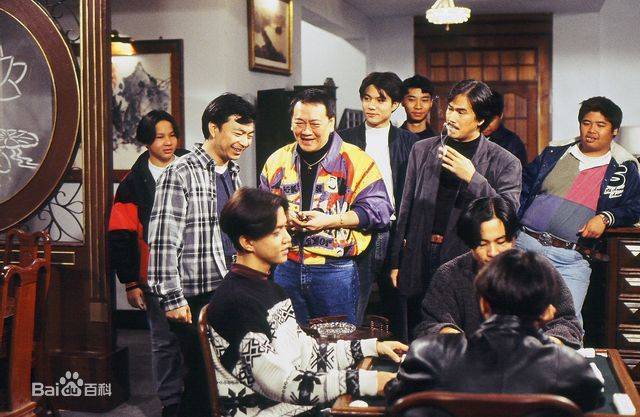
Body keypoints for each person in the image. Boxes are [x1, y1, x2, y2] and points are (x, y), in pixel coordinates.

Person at [207, 188, 408, 417]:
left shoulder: (271, 289)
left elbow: (307, 353)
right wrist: (366, 381)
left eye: (285, 228)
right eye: (276, 232)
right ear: (247, 242)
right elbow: (280, 383)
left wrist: (371, 347)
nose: (288, 238)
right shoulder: (237, 302)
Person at [385, 249, 604, 413]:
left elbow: (397, 397)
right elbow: (593, 403)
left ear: (484, 305)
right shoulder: (570, 367)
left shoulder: (428, 354)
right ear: (548, 312)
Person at [147, 93, 255, 417]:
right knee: (199, 379)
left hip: (227, 289)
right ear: (213, 128)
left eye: (249, 135)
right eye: (238, 133)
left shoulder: (233, 172)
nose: (245, 142)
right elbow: (163, 240)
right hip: (194, 296)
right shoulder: (179, 172)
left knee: (226, 376)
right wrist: (172, 298)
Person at [389, 79, 522, 341]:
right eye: (450, 108)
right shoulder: (422, 149)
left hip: (465, 258)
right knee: (417, 334)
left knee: (462, 334)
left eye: (461, 112)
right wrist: (396, 261)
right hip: (419, 254)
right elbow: (406, 208)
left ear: (480, 119)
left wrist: (473, 178)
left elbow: (509, 215)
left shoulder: (505, 161)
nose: (451, 117)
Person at [260, 88, 393, 325]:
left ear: (331, 122)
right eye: (299, 123)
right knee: (288, 339)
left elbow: (380, 211)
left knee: (339, 340)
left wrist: (330, 221)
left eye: (314, 124)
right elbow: (261, 208)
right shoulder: (277, 160)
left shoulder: (356, 160)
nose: (306, 131)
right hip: (285, 266)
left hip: (335, 270)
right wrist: (283, 216)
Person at [517, 96, 640, 324]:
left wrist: (606, 217)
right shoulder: (556, 152)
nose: (592, 130)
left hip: (571, 258)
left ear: (614, 130)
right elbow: (522, 187)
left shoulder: (624, 165)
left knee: (566, 325)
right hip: (525, 247)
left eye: (601, 125)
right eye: (586, 123)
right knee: (514, 320)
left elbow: (635, 207)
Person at [415, 197, 582, 348]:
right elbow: (429, 325)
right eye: (482, 244)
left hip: (529, 362)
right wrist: (457, 340)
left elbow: (567, 323)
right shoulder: (449, 275)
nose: (493, 252)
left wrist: (544, 346)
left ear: (513, 239)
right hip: (468, 364)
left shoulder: (538, 270)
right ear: (470, 244)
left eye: (501, 242)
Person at [108, 110, 187, 417]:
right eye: (159, 137)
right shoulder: (132, 184)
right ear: (146, 142)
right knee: (163, 342)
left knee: (197, 339)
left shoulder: (193, 167)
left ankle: (199, 397)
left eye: (172, 135)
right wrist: (130, 282)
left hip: (194, 270)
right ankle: (171, 402)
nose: (168, 142)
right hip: (155, 274)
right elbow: (121, 235)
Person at [339, 72, 419, 325]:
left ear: (395, 105)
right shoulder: (343, 139)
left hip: (395, 230)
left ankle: (400, 347)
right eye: (367, 98)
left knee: (398, 302)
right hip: (357, 228)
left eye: (380, 100)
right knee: (355, 299)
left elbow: (414, 193)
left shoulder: (410, 142)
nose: (371, 106)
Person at [482, 90, 528, 167]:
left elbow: (519, 172)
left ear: (501, 116)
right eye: (481, 118)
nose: (485, 124)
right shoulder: (466, 137)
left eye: (491, 120)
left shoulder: (513, 143)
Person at [400, 74, 437, 139]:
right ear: (402, 101)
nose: (418, 106)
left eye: (424, 100)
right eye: (411, 100)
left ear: (431, 102)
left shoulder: (439, 141)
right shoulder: (393, 139)